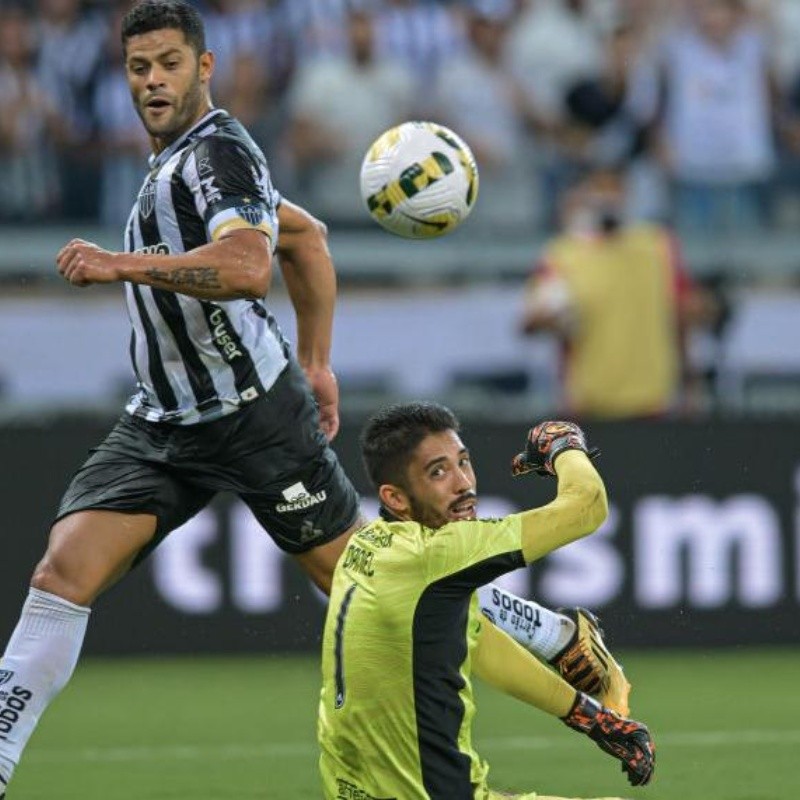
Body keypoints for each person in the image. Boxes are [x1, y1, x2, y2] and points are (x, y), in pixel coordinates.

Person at [0, 3, 626, 795]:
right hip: (162, 420)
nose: (152, 80)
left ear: (205, 67)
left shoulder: (217, 155)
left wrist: (117, 265)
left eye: (167, 63)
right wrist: (320, 360)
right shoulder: (175, 162)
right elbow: (307, 239)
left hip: (257, 417)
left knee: (371, 589)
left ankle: (552, 631)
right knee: (61, 575)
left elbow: (246, 267)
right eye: (138, 67)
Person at [318, 405, 655, 800]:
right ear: (395, 497)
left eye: (464, 462)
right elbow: (587, 506)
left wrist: (589, 717)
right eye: (438, 472)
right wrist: (563, 444)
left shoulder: (369, 548)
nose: (463, 483)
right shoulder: (438, 555)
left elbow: (480, 646)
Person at [520, 167, 705, 419]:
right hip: (587, 405)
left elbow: (682, 315)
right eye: (600, 188)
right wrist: (550, 319)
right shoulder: (563, 254)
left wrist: (690, 385)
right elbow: (529, 323)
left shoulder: (657, 245)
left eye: (614, 188)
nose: (608, 197)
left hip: (653, 403)